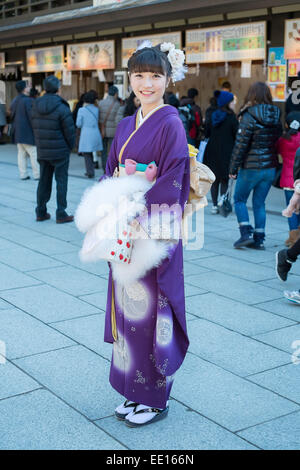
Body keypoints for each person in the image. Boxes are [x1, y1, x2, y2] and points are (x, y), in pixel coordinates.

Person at [100, 43, 190, 426]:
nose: (146, 83)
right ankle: (131, 390)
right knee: (128, 311)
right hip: (125, 228)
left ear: (169, 80)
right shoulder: (125, 124)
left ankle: (154, 398)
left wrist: (138, 213)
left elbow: (173, 181)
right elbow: (109, 173)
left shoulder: (171, 122)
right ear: (130, 79)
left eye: (155, 76)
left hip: (152, 233)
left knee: (152, 313)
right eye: (139, 75)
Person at [229, 81, 282, 250]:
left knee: (239, 199)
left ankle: (245, 233)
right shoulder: (276, 114)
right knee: (259, 203)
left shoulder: (248, 115)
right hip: (270, 167)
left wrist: (233, 168)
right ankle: (259, 238)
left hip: (250, 167)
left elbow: (241, 144)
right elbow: (278, 139)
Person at [31, 75, 75, 223]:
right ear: (58, 88)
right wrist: (70, 146)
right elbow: (69, 131)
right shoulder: (62, 107)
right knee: (61, 181)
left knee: (43, 181)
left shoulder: (35, 105)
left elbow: (34, 126)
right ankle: (61, 213)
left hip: (42, 150)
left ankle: (41, 211)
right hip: (60, 151)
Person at [203, 90, 238, 214]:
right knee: (224, 179)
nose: (234, 103)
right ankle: (222, 203)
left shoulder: (213, 115)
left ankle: (213, 206)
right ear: (227, 103)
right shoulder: (232, 117)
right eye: (232, 101)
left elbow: (206, 133)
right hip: (227, 152)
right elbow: (236, 135)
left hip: (212, 150)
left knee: (214, 180)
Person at [276, 112, 300, 247]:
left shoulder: (283, 140)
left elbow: (278, 152)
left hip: (287, 179)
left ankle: (293, 239)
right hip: (299, 180)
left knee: (291, 210)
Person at [10, 80, 40, 180]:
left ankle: (23, 174)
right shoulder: (28, 101)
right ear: (24, 89)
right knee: (33, 153)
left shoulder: (15, 100)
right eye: (27, 86)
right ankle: (37, 174)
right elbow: (32, 117)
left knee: (21, 154)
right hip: (28, 132)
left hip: (18, 132)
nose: (29, 87)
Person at [76, 90, 103, 179]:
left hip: (86, 133)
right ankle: (93, 170)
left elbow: (78, 124)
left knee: (87, 154)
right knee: (93, 151)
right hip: (95, 132)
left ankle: (90, 171)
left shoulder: (82, 110)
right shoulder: (97, 109)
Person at [98, 85, 122, 171]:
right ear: (115, 94)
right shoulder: (117, 104)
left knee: (103, 150)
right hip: (113, 131)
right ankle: (110, 167)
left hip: (102, 130)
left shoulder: (100, 103)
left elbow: (99, 117)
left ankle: (104, 166)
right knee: (112, 151)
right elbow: (117, 120)